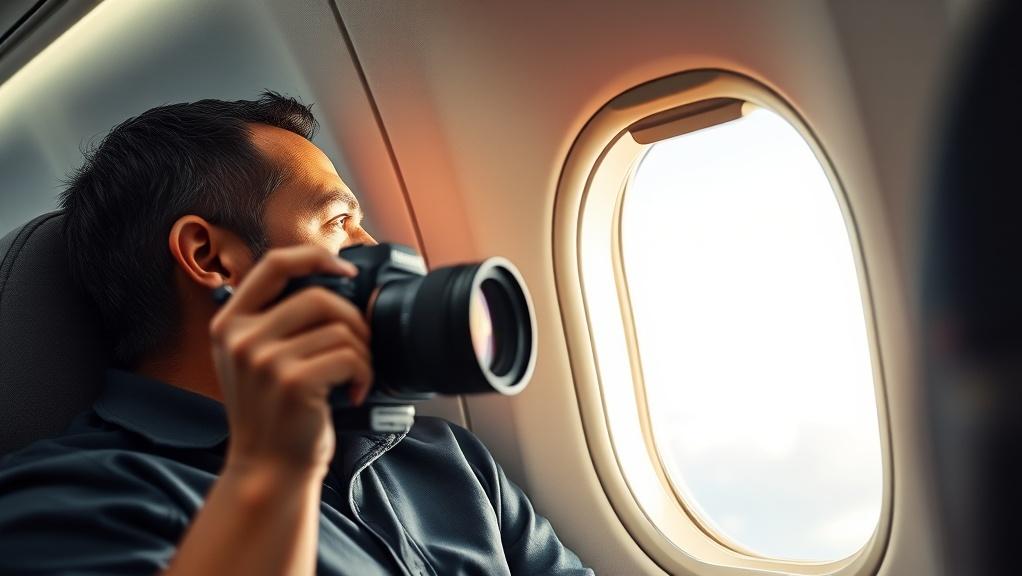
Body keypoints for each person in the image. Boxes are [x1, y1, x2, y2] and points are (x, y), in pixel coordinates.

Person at [0, 92, 592, 575]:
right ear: (210, 257)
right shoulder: (64, 504)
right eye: (338, 222)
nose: (376, 249)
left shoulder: (443, 460)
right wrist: (272, 472)